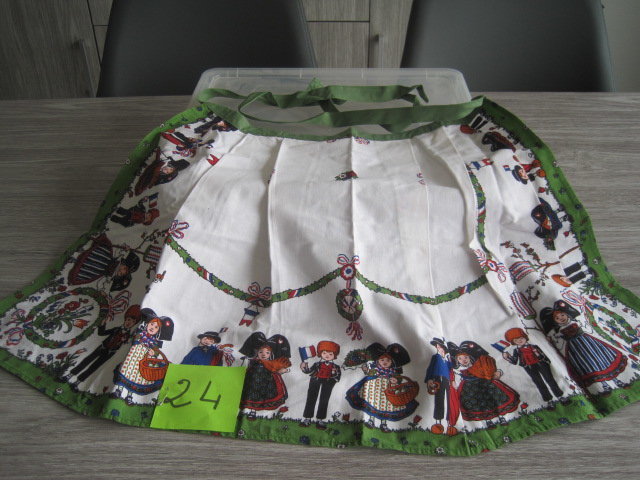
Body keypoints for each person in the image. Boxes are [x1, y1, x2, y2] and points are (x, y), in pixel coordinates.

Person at [540, 300, 627, 390]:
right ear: (555, 321)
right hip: (575, 349)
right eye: (557, 318)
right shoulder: (560, 330)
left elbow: (585, 328)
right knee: (588, 366)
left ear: (566, 314)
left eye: (562, 315)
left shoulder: (574, 322)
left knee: (601, 359)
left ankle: (616, 381)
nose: (561, 318)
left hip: (588, 342)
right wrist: (553, 340)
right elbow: (559, 340)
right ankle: (605, 385)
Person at [62, 304, 142, 389]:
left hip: (109, 353)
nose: (129, 323)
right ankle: (69, 375)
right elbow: (101, 333)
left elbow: (128, 344)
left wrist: (135, 339)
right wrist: (102, 324)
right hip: (102, 347)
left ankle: (77, 382)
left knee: (94, 367)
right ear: (125, 319)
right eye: (128, 320)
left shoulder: (128, 336)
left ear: (134, 324)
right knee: (86, 361)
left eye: (133, 322)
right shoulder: (116, 329)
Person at [346, 343, 418, 432]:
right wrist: (366, 370)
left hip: (388, 391)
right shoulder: (375, 369)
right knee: (372, 404)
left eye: (388, 360)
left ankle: (383, 424)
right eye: (382, 360)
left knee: (385, 407)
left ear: (392, 362)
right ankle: (371, 420)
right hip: (374, 390)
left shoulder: (393, 371)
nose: (385, 362)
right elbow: (369, 373)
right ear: (378, 361)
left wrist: (396, 380)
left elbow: (398, 378)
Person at [449, 340, 520, 429]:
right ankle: (488, 422)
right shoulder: (459, 369)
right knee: (480, 405)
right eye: (460, 359)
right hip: (470, 388)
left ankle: (502, 418)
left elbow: (491, 370)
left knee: (495, 399)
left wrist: (498, 372)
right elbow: (456, 377)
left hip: (484, 383)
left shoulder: (478, 364)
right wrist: (454, 383)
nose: (464, 360)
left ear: (470, 357)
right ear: (457, 360)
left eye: (466, 357)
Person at [113, 308, 174, 405]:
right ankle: (119, 390)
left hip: (142, 362)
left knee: (135, 377)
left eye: (156, 327)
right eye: (152, 324)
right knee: (126, 372)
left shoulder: (154, 342)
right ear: (147, 324)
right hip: (131, 358)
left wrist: (153, 353)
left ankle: (129, 396)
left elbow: (156, 352)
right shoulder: (140, 334)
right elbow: (132, 339)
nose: (152, 327)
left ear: (158, 331)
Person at [501, 327, 565, 405]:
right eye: (516, 340)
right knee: (539, 383)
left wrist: (547, 361)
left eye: (521, 338)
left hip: (542, 364)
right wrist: (507, 357)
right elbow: (514, 361)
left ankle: (560, 396)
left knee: (550, 379)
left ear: (525, 337)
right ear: (513, 342)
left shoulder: (534, 346)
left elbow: (543, 354)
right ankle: (548, 400)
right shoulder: (516, 350)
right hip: (529, 367)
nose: (519, 341)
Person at [239, 332, 291, 419]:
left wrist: (284, 370)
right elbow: (246, 368)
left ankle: (275, 410)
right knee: (252, 396)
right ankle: (251, 411)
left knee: (269, 395)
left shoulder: (271, 363)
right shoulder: (253, 361)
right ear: (257, 352)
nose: (263, 354)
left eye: (267, 352)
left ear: (270, 354)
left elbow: (276, 369)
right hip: (253, 382)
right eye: (261, 352)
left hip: (268, 382)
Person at [300, 340, 341, 430]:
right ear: (320, 353)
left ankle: (320, 420)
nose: (327, 355)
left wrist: (333, 377)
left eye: (330, 354)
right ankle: (307, 418)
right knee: (311, 398)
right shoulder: (317, 364)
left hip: (328, 382)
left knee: (324, 400)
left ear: (334, 355)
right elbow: (309, 371)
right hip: (315, 381)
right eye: (324, 353)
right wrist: (304, 368)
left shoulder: (335, 367)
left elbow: (337, 376)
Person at [424, 338, 459, 436]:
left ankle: (449, 423)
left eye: (440, 347)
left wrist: (453, 380)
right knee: (439, 399)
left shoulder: (448, 358)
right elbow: (430, 368)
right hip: (437, 379)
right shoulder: (435, 357)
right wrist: (429, 379)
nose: (439, 349)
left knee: (449, 400)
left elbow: (453, 368)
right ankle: (438, 422)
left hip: (447, 381)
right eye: (437, 347)